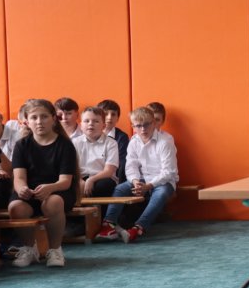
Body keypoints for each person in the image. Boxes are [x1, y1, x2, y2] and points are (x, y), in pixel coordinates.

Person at [7, 98, 78, 268]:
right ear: (26, 121)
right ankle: (29, 249)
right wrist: (22, 189)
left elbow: (65, 181)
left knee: (52, 203)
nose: (39, 122)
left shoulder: (65, 145)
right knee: (15, 207)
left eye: (44, 116)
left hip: (58, 191)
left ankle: (55, 249)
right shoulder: (21, 145)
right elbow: (19, 177)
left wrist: (50, 188)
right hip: (30, 192)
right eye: (34, 117)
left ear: (53, 119)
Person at [95, 106, 178, 244]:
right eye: (138, 126)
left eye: (146, 125)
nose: (143, 129)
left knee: (161, 193)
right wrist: (135, 181)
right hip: (141, 179)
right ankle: (109, 225)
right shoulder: (134, 141)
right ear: (133, 126)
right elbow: (131, 166)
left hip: (163, 181)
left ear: (153, 123)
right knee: (120, 189)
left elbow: (169, 171)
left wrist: (149, 185)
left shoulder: (165, 141)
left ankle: (138, 228)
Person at [73, 105, 118, 199]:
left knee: (103, 186)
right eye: (86, 121)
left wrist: (91, 180)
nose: (91, 124)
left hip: (102, 178)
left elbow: (109, 171)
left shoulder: (111, 143)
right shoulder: (75, 142)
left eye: (96, 121)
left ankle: (98, 208)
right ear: (81, 125)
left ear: (103, 126)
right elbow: (72, 168)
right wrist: (80, 181)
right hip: (80, 177)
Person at [97, 99, 130, 183]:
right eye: (106, 114)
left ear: (117, 118)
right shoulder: (90, 134)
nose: (109, 117)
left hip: (111, 177)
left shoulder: (122, 137)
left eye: (113, 114)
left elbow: (121, 163)